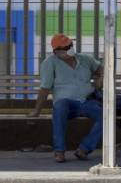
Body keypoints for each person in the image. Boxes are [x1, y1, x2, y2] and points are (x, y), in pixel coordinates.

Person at [27, 34, 103, 163]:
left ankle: (84, 149)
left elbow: (100, 68)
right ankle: (59, 151)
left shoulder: (85, 59)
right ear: (57, 51)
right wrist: (37, 111)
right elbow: (45, 88)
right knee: (59, 108)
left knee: (106, 116)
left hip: (86, 100)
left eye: (70, 45)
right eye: (66, 47)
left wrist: (100, 77)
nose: (70, 48)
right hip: (66, 103)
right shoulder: (49, 63)